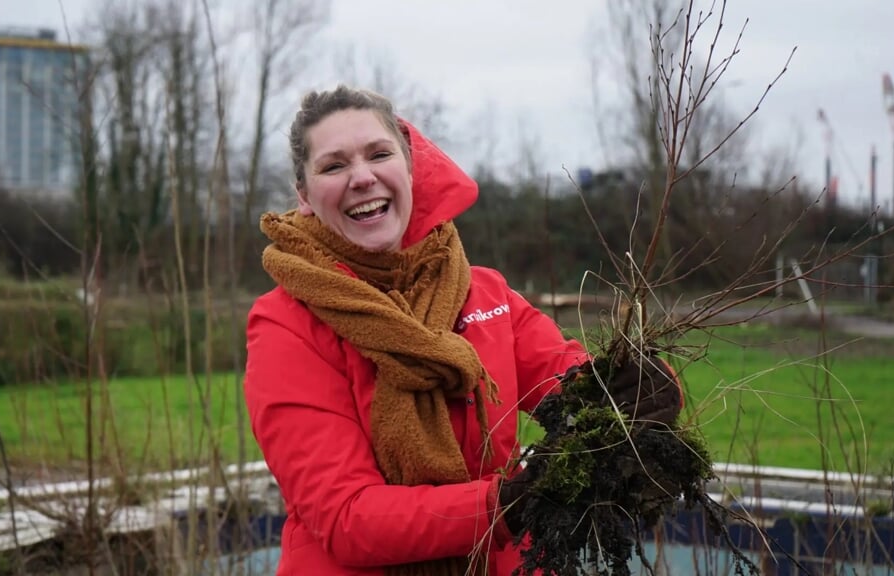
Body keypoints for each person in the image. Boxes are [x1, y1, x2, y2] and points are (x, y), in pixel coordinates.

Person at [243, 85, 681, 575]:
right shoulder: (287, 324)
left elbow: (569, 378)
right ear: (304, 196)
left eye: (379, 154)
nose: (362, 177)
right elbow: (348, 518)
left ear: (410, 170)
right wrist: (509, 503)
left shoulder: (482, 293)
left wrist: (636, 385)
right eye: (334, 165)